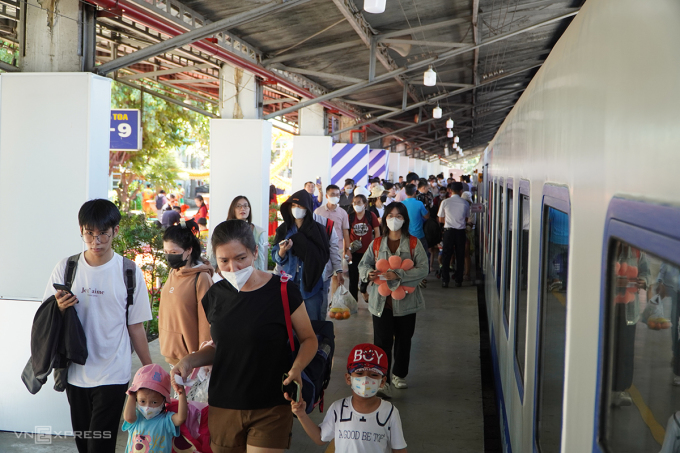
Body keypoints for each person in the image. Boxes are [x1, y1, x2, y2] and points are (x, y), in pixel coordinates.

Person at [171, 219, 318, 453]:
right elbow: (221, 347)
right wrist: (188, 361)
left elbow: (309, 339)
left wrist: (297, 368)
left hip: (272, 404)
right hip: (224, 403)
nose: (233, 268)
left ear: (255, 252)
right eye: (224, 261)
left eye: (241, 258)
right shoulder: (215, 295)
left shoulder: (282, 289)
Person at [43, 199, 152, 453]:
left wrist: (149, 371)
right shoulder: (66, 268)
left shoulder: (129, 272)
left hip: (114, 372)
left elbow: (135, 326)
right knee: (84, 444)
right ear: (81, 230)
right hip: (76, 372)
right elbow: (46, 316)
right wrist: (59, 307)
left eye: (103, 233)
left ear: (115, 231)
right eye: (89, 234)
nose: (96, 241)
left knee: (99, 446)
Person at [358, 202, 428, 397]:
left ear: (404, 220)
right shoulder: (377, 243)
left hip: (406, 303)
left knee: (404, 339)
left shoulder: (414, 243)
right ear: (384, 218)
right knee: (382, 342)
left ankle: (399, 374)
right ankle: (383, 379)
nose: (394, 220)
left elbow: (424, 269)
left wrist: (399, 275)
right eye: (390, 216)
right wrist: (368, 274)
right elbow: (363, 265)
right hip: (380, 303)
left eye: (398, 216)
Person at [289, 343, 408, 453]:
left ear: (382, 382)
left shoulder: (389, 412)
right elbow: (320, 438)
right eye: (359, 374)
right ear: (348, 378)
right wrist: (301, 414)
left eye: (374, 375)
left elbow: (399, 449)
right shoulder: (338, 409)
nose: (366, 380)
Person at [160, 220, 214, 368]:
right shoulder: (173, 272)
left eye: (174, 252)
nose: (169, 256)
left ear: (189, 250)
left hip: (192, 363)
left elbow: (206, 323)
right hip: (172, 358)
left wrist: (203, 359)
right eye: (166, 252)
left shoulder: (201, 278)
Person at [273, 190, 331, 321]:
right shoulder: (284, 229)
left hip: (311, 287)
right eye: (293, 206)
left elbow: (323, 256)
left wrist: (304, 245)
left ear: (308, 209)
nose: (296, 209)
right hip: (288, 284)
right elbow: (276, 257)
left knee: (312, 323)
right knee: (288, 322)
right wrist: (282, 251)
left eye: (300, 206)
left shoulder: (318, 230)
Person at [123, 364, 187, 453]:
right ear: (136, 398)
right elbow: (128, 418)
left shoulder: (166, 420)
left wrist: (181, 393)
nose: (147, 407)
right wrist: (132, 393)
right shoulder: (136, 417)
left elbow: (181, 418)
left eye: (154, 402)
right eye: (142, 401)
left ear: (164, 400)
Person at [315, 184, 351, 292]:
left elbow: (345, 232)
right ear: (326, 196)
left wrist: (347, 250)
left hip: (337, 248)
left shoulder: (343, 213)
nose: (335, 196)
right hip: (321, 248)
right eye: (332, 194)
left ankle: (334, 304)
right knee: (322, 275)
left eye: (337, 194)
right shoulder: (318, 212)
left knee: (338, 276)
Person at [348, 194, 381, 302]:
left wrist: (376, 247)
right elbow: (346, 234)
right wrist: (347, 250)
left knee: (367, 274)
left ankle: (363, 289)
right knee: (353, 278)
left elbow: (377, 231)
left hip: (368, 252)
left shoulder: (371, 215)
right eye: (354, 202)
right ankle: (353, 302)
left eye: (359, 202)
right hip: (354, 252)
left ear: (365, 204)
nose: (356, 204)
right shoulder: (350, 217)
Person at [438, 182, 470, 288]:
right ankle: (458, 280)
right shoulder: (465, 203)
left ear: (450, 191)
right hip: (460, 232)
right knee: (460, 255)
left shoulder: (445, 202)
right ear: (461, 191)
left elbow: (440, 219)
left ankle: (445, 280)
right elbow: (466, 219)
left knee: (446, 255)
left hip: (448, 232)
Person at [227, 195, 269, 272]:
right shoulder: (225, 230)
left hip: (251, 274)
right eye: (238, 206)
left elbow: (260, 260)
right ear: (233, 209)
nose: (242, 208)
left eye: (246, 206)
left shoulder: (257, 231)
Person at [402, 184, 430, 286]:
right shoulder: (419, 204)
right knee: (422, 256)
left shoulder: (401, 204)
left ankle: (408, 277)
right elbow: (426, 216)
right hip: (419, 234)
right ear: (415, 192)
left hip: (405, 235)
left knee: (407, 256)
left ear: (405, 193)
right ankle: (422, 278)